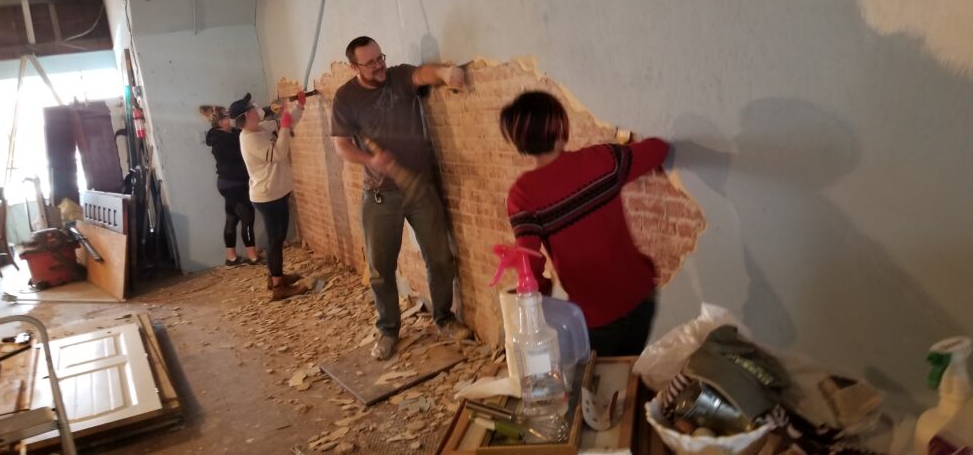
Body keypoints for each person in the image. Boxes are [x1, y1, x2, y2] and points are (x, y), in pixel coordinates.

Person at [498, 91, 670, 357]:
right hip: (640, 297)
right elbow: (659, 149)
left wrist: (544, 307)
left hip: (595, 317)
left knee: (604, 388)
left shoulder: (523, 195)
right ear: (560, 127)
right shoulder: (603, 160)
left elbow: (529, 266)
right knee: (633, 374)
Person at [331, 36, 471, 360]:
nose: (379, 65)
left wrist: (446, 73)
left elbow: (424, 74)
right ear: (354, 67)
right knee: (381, 268)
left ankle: (444, 319)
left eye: (380, 58)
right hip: (380, 195)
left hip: (421, 188)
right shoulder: (346, 98)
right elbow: (342, 147)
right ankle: (388, 330)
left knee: (439, 257)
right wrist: (371, 161)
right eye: (370, 63)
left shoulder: (399, 76)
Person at [228, 92, 306, 301]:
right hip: (268, 196)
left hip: (276, 192)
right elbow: (278, 153)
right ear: (246, 116)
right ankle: (279, 287)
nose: (256, 108)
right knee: (275, 240)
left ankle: (274, 276)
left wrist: (299, 106)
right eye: (251, 107)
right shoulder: (249, 139)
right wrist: (286, 127)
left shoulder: (261, 128)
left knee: (277, 239)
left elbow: (285, 124)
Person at [200, 105, 261, 267]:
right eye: (226, 117)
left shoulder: (231, 134)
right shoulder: (222, 139)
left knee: (232, 218)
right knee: (247, 217)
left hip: (227, 184)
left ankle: (231, 258)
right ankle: (253, 257)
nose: (231, 119)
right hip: (234, 184)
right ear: (220, 122)